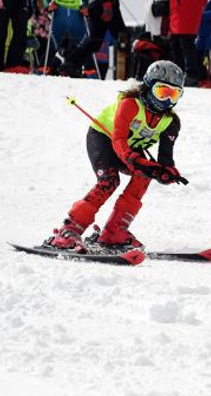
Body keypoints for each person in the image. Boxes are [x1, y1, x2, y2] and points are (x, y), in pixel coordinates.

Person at [44, 60, 188, 252]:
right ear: (148, 86)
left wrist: (166, 173)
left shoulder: (170, 122)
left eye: (174, 94)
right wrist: (136, 161)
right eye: (162, 92)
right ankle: (68, 230)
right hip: (104, 138)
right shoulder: (130, 104)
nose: (166, 101)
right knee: (109, 180)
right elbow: (119, 141)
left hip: (130, 148)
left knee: (144, 175)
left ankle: (114, 231)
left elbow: (165, 160)